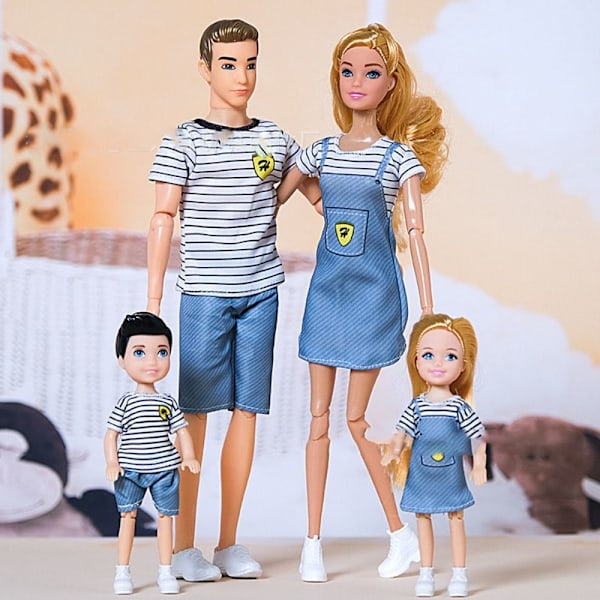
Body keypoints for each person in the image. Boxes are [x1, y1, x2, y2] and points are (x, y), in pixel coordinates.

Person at [146, 18, 320, 582]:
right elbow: (162, 217)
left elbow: (317, 195)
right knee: (193, 416)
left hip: (261, 291)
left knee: (247, 413)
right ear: (205, 69)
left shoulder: (275, 138)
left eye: (250, 63)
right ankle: (183, 546)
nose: (241, 76)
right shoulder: (183, 141)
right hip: (204, 294)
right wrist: (152, 305)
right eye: (228, 64)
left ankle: (227, 542)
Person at [276, 23, 447, 582]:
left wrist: (429, 311)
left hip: (374, 296)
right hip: (327, 294)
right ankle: (312, 544)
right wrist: (314, 198)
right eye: (347, 71)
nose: (356, 82)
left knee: (355, 420)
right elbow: (279, 192)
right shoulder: (321, 151)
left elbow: (416, 234)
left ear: (390, 83)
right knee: (317, 420)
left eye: (370, 73)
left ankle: (400, 533)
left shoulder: (399, 159)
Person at [382, 314, 487, 597]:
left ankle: (459, 574)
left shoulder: (459, 407)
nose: (438, 363)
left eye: (450, 356)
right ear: (416, 361)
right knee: (423, 518)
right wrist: (393, 451)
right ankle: (425, 573)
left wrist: (479, 463)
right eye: (428, 355)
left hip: (450, 473)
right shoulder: (416, 406)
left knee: (456, 518)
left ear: (463, 366)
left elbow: (478, 436)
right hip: (421, 473)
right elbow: (402, 433)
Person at [104, 312, 200, 595]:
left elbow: (181, 431)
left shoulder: (168, 402)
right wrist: (112, 461)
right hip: (130, 470)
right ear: (122, 360)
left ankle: (166, 572)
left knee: (165, 518)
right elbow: (111, 435)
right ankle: (122, 572)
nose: (152, 362)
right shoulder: (125, 403)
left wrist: (189, 456)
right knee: (127, 517)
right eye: (139, 352)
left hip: (164, 470)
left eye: (161, 352)